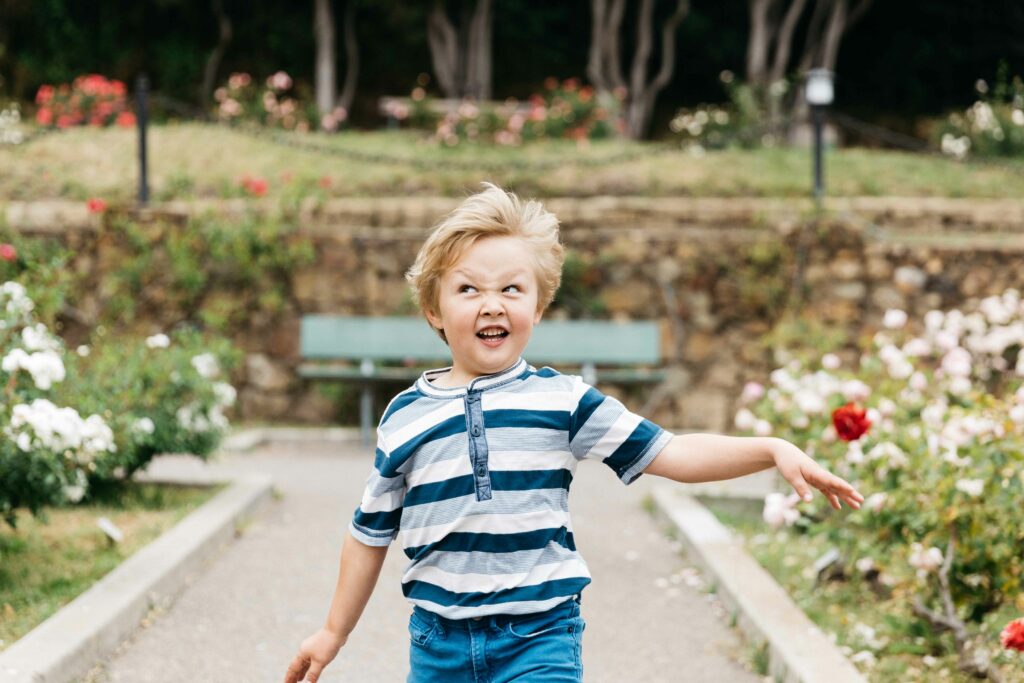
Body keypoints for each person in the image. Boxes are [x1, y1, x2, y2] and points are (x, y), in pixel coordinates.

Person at [284, 183, 864, 683]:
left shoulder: (563, 401)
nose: (492, 304)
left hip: (540, 636)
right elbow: (369, 534)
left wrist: (771, 449)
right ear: (434, 310)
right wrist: (333, 631)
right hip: (439, 644)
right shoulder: (405, 416)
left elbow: (674, 452)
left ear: (538, 307)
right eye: (469, 289)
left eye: (512, 289)